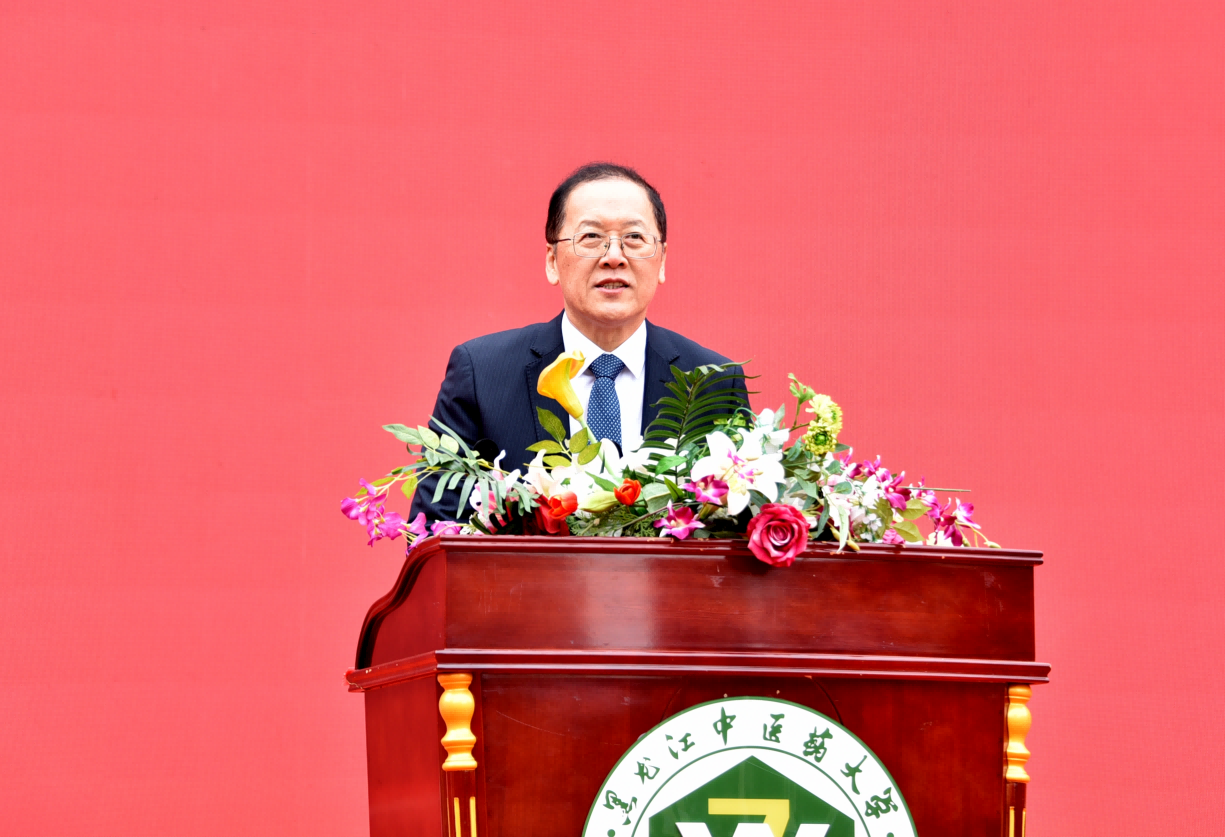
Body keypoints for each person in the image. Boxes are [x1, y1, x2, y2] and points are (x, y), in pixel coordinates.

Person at [410, 162, 746, 522]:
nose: (614, 257)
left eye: (634, 237)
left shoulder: (713, 381)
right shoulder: (482, 374)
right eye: (591, 237)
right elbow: (434, 529)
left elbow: (739, 527)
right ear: (552, 261)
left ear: (662, 260)